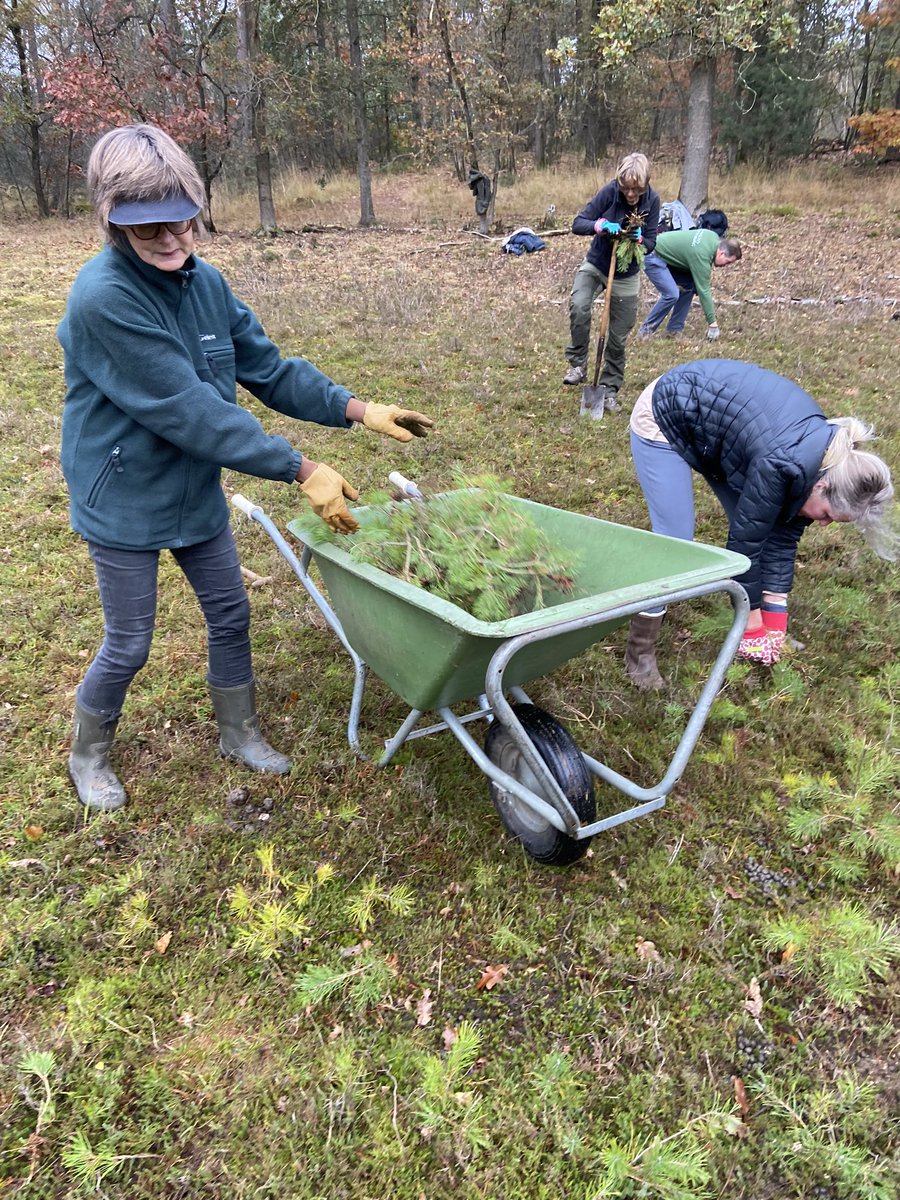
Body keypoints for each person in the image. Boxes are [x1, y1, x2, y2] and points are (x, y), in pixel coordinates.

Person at [58, 123, 434, 812]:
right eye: (151, 233)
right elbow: (191, 409)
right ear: (113, 224)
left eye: (183, 224)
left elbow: (267, 369)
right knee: (130, 641)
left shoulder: (205, 283)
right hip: (124, 491)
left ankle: (239, 731)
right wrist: (300, 468)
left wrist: (357, 408)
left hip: (193, 480)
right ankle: (89, 755)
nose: (173, 242)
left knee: (231, 612)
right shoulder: (103, 299)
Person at [624, 359, 894, 689]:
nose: (823, 525)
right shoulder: (782, 465)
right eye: (826, 515)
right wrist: (752, 626)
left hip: (717, 430)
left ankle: (764, 629)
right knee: (676, 540)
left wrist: (775, 623)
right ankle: (640, 654)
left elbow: (781, 537)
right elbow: (745, 544)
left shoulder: (823, 465)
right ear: (821, 486)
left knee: (764, 522)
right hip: (667, 412)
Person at [564, 153, 661, 411]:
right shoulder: (609, 192)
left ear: (644, 185)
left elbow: (652, 242)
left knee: (617, 338)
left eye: (636, 189)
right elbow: (578, 224)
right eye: (626, 188)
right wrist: (600, 225)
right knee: (579, 304)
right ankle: (578, 363)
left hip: (626, 273)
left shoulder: (653, 201)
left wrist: (640, 239)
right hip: (597, 264)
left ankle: (609, 391)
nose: (630, 194)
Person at [637, 229, 741, 342]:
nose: (726, 266)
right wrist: (713, 324)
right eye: (728, 262)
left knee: (688, 287)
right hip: (652, 255)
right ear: (721, 253)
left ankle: (673, 331)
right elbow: (704, 291)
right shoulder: (702, 255)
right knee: (671, 294)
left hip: (668, 257)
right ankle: (645, 332)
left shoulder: (712, 237)